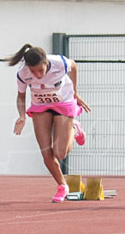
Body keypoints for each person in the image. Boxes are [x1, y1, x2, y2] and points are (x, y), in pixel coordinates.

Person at [8, 44, 90, 202]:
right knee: (46, 151)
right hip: (40, 106)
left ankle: (75, 128)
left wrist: (75, 92)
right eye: (33, 71)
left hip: (63, 103)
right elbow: (20, 96)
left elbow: (73, 66)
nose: (38, 75)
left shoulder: (59, 62)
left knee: (60, 153)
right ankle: (62, 186)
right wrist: (22, 116)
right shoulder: (22, 73)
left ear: (46, 63)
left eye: (40, 70)